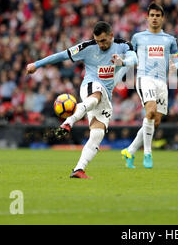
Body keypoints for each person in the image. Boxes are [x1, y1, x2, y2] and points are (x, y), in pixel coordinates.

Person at [26, 21, 137, 179]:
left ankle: (79, 169)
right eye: (98, 41)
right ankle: (68, 122)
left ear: (111, 36)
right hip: (90, 86)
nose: (100, 45)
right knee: (96, 96)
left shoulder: (122, 45)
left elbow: (134, 58)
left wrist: (123, 62)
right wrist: (37, 64)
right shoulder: (87, 47)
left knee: (97, 135)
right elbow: (62, 55)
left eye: (104, 41)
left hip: (107, 95)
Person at [121, 2, 178, 169]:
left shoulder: (169, 40)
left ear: (162, 18)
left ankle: (130, 151)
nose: (155, 18)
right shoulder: (137, 38)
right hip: (144, 78)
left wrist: (175, 66)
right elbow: (130, 56)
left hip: (161, 82)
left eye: (158, 15)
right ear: (147, 17)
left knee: (154, 122)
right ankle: (147, 153)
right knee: (150, 110)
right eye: (152, 15)